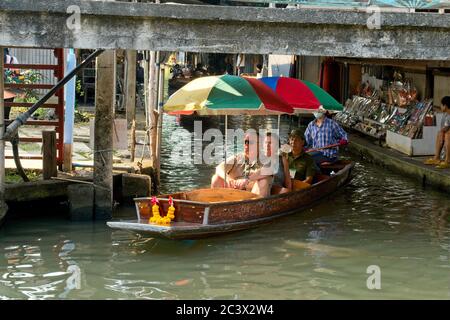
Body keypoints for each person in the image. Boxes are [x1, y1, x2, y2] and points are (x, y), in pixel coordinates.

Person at [211, 132, 273, 197]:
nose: (246, 145)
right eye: (245, 142)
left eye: (250, 142)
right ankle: (217, 205)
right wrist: (228, 179)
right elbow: (218, 168)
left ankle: (254, 206)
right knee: (216, 178)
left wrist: (247, 180)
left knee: (264, 181)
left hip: (253, 197)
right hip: (235, 194)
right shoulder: (237, 158)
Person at [424, 96, 450, 169]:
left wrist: (443, 132)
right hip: (446, 133)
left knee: (448, 135)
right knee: (440, 133)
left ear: (445, 106)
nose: (440, 107)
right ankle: (436, 157)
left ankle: (447, 160)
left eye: (441, 105)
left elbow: (447, 128)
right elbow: (445, 127)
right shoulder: (446, 114)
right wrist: (442, 133)